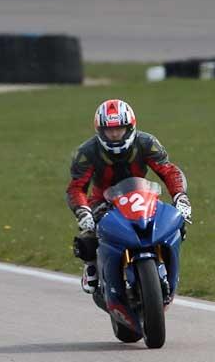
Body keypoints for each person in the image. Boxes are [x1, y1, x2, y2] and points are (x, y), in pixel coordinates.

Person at [66, 99, 191, 294]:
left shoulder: (147, 143)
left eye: (119, 129)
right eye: (109, 130)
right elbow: (76, 187)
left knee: (176, 223)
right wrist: (83, 212)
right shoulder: (87, 152)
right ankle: (91, 264)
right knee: (90, 234)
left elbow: (169, 171)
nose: (115, 134)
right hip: (102, 202)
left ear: (130, 126)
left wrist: (180, 197)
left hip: (141, 195)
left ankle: (167, 262)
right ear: (100, 130)